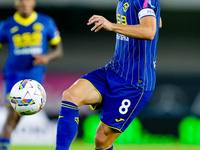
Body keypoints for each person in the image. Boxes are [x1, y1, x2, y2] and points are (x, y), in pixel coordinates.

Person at [56, 0, 161, 149]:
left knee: (102, 139)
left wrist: (111, 26)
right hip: (113, 70)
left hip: (134, 83)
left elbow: (150, 31)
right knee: (71, 95)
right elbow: (157, 21)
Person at [0, 0, 63, 149]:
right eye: (20, 0)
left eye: (27, 0)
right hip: (14, 75)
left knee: (17, 114)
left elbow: (58, 50)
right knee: (14, 110)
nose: (24, 3)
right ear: (15, 3)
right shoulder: (6, 25)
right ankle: (4, 144)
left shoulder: (46, 22)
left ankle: (4, 141)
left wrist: (46, 57)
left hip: (35, 77)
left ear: (33, 2)